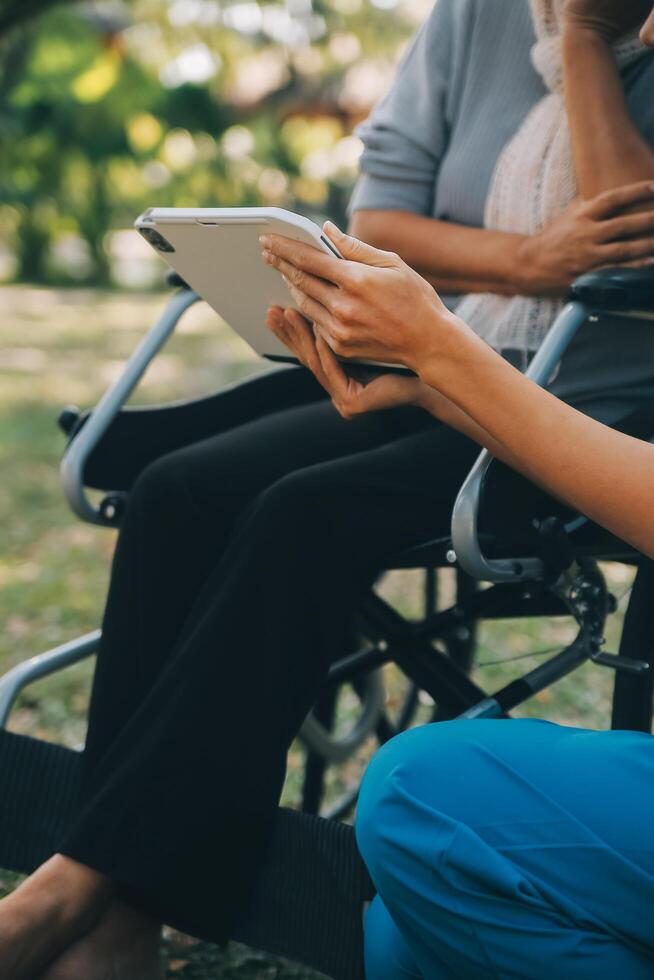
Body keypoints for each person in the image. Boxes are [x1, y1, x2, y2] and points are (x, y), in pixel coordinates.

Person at [0, 3, 653, 980]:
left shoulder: (616, 35)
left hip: (582, 405)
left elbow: (631, 246)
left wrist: (579, 43)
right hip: (437, 360)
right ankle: (117, 918)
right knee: (179, 484)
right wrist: (505, 279)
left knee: (303, 511)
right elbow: (380, 217)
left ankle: (89, 884)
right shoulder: (471, 20)